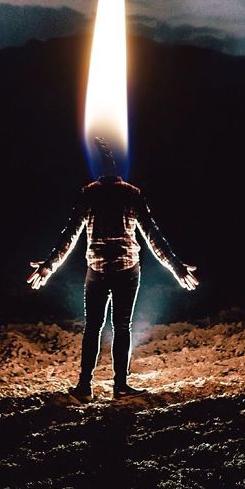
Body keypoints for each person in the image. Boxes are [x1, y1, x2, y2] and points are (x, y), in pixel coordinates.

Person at [26, 168, 198, 402]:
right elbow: (153, 236)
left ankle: (85, 387)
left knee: (93, 327)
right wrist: (175, 266)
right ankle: (119, 386)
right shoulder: (131, 193)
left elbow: (69, 235)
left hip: (97, 270)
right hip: (126, 270)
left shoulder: (89, 194)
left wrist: (49, 265)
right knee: (121, 327)